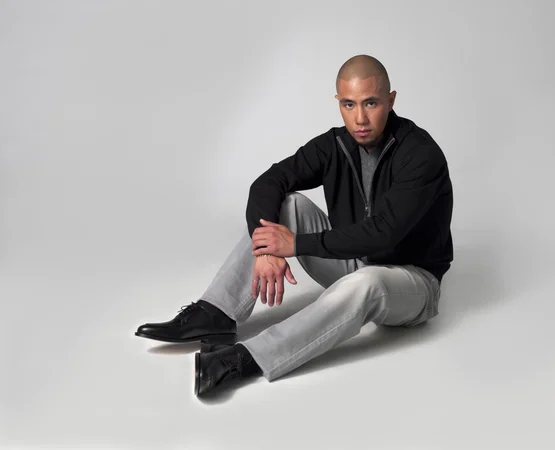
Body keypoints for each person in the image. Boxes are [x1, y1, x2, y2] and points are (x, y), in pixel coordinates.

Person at [135, 54, 454, 397]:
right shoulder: (335, 145)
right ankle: (215, 313)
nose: (359, 118)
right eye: (349, 105)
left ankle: (246, 359)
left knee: (368, 282)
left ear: (391, 101)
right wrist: (266, 251)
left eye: (371, 103)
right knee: (287, 204)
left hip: (411, 283)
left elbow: (383, 232)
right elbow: (269, 182)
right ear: (338, 103)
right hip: (352, 261)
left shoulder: (420, 154)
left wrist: (296, 244)